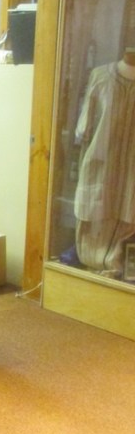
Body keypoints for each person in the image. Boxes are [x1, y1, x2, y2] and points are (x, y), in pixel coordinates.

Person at [74, 49, 135, 273]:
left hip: (131, 169)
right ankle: (94, 262)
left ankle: (115, 266)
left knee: (128, 213)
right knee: (93, 211)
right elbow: (84, 128)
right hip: (101, 162)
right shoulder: (100, 76)